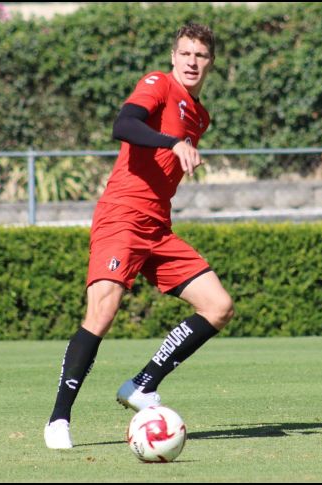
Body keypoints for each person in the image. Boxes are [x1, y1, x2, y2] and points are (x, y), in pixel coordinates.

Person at [44, 23, 234, 449]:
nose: (191, 61)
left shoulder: (200, 115)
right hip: (122, 217)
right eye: (185, 53)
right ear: (173, 57)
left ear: (210, 63)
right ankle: (58, 419)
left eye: (200, 56)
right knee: (103, 311)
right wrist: (173, 142)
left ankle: (142, 385)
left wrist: (180, 141)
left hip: (158, 228)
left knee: (219, 307)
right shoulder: (157, 85)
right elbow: (124, 124)